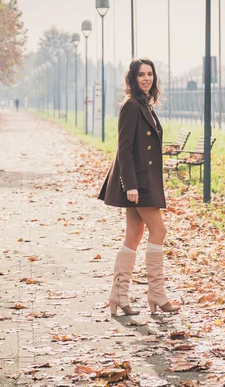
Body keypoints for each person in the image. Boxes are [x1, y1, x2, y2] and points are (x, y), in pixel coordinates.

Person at [98, 58, 180, 316]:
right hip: (138, 184)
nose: (146, 79)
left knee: (133, 236)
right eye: (141, 75)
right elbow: (124, 148)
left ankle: (118, 296)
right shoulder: (132, 106)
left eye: (150, 74)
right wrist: (130, 185)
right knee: (160, 230)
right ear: (132, 79)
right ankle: (156, 294)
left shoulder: (145, 105)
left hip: (144, 180)